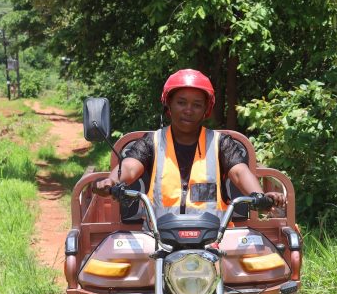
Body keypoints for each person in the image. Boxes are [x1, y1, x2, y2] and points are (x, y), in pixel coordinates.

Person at [93, 69, 286, 218]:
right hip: (158, 240)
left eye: (197, 105)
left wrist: (260, 196)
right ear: (168, 105)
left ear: (206, 111)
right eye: (181, 102)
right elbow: (130, 166)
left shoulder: (221, 143)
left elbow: (239, 171)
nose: (188, 110)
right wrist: (112, 181)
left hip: (214, 240)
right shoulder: (151, 142)